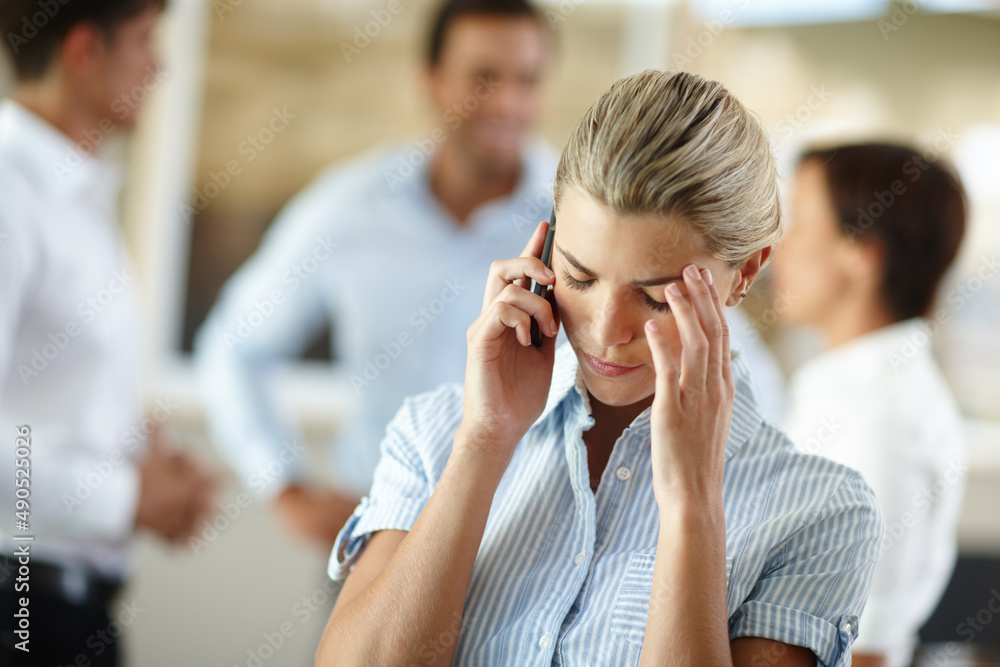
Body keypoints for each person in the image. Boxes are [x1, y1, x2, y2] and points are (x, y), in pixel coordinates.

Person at [316, 69, 884, 666]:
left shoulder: (819, 514)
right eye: (579, 277)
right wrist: (483, 444)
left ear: (744, 274)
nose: (606, 331)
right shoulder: (432, 436)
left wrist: (691, 506)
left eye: (656, 296)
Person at [193, 0, 559, 550]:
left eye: (526, 80)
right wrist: (287, 488)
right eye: (484, 78)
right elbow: (234, 345)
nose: (508, 101)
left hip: (523, 555)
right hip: (374, 546)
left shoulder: (576, 219)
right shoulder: (350, 208)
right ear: (431, 81)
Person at [0, 1, 217, 665]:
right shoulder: (10, 196)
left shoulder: (75, 196)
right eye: (145, 40)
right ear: (84, 50)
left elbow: (44, 402)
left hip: (67, 608)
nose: (161, 64)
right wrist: (128, 497)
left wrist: (139, 457)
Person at [773, 143, 968, 667]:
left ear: (863, 254)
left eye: (800, 225)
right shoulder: (844, 387)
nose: (778, 247)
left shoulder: (884, 419)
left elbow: (865, 647)